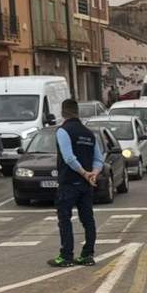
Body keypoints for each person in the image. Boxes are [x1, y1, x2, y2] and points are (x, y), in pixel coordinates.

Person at [48, 98, 99, 268]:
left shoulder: (63, 131)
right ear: (77, 112)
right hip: (86, 186)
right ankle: (87, 255)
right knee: (88, 219)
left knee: (65, 219)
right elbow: (98, 159)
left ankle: (66, 255)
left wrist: (84, 173)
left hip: (69, 183)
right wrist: (93, 174)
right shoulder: (89, 134)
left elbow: (68, 157)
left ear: (63, 113)